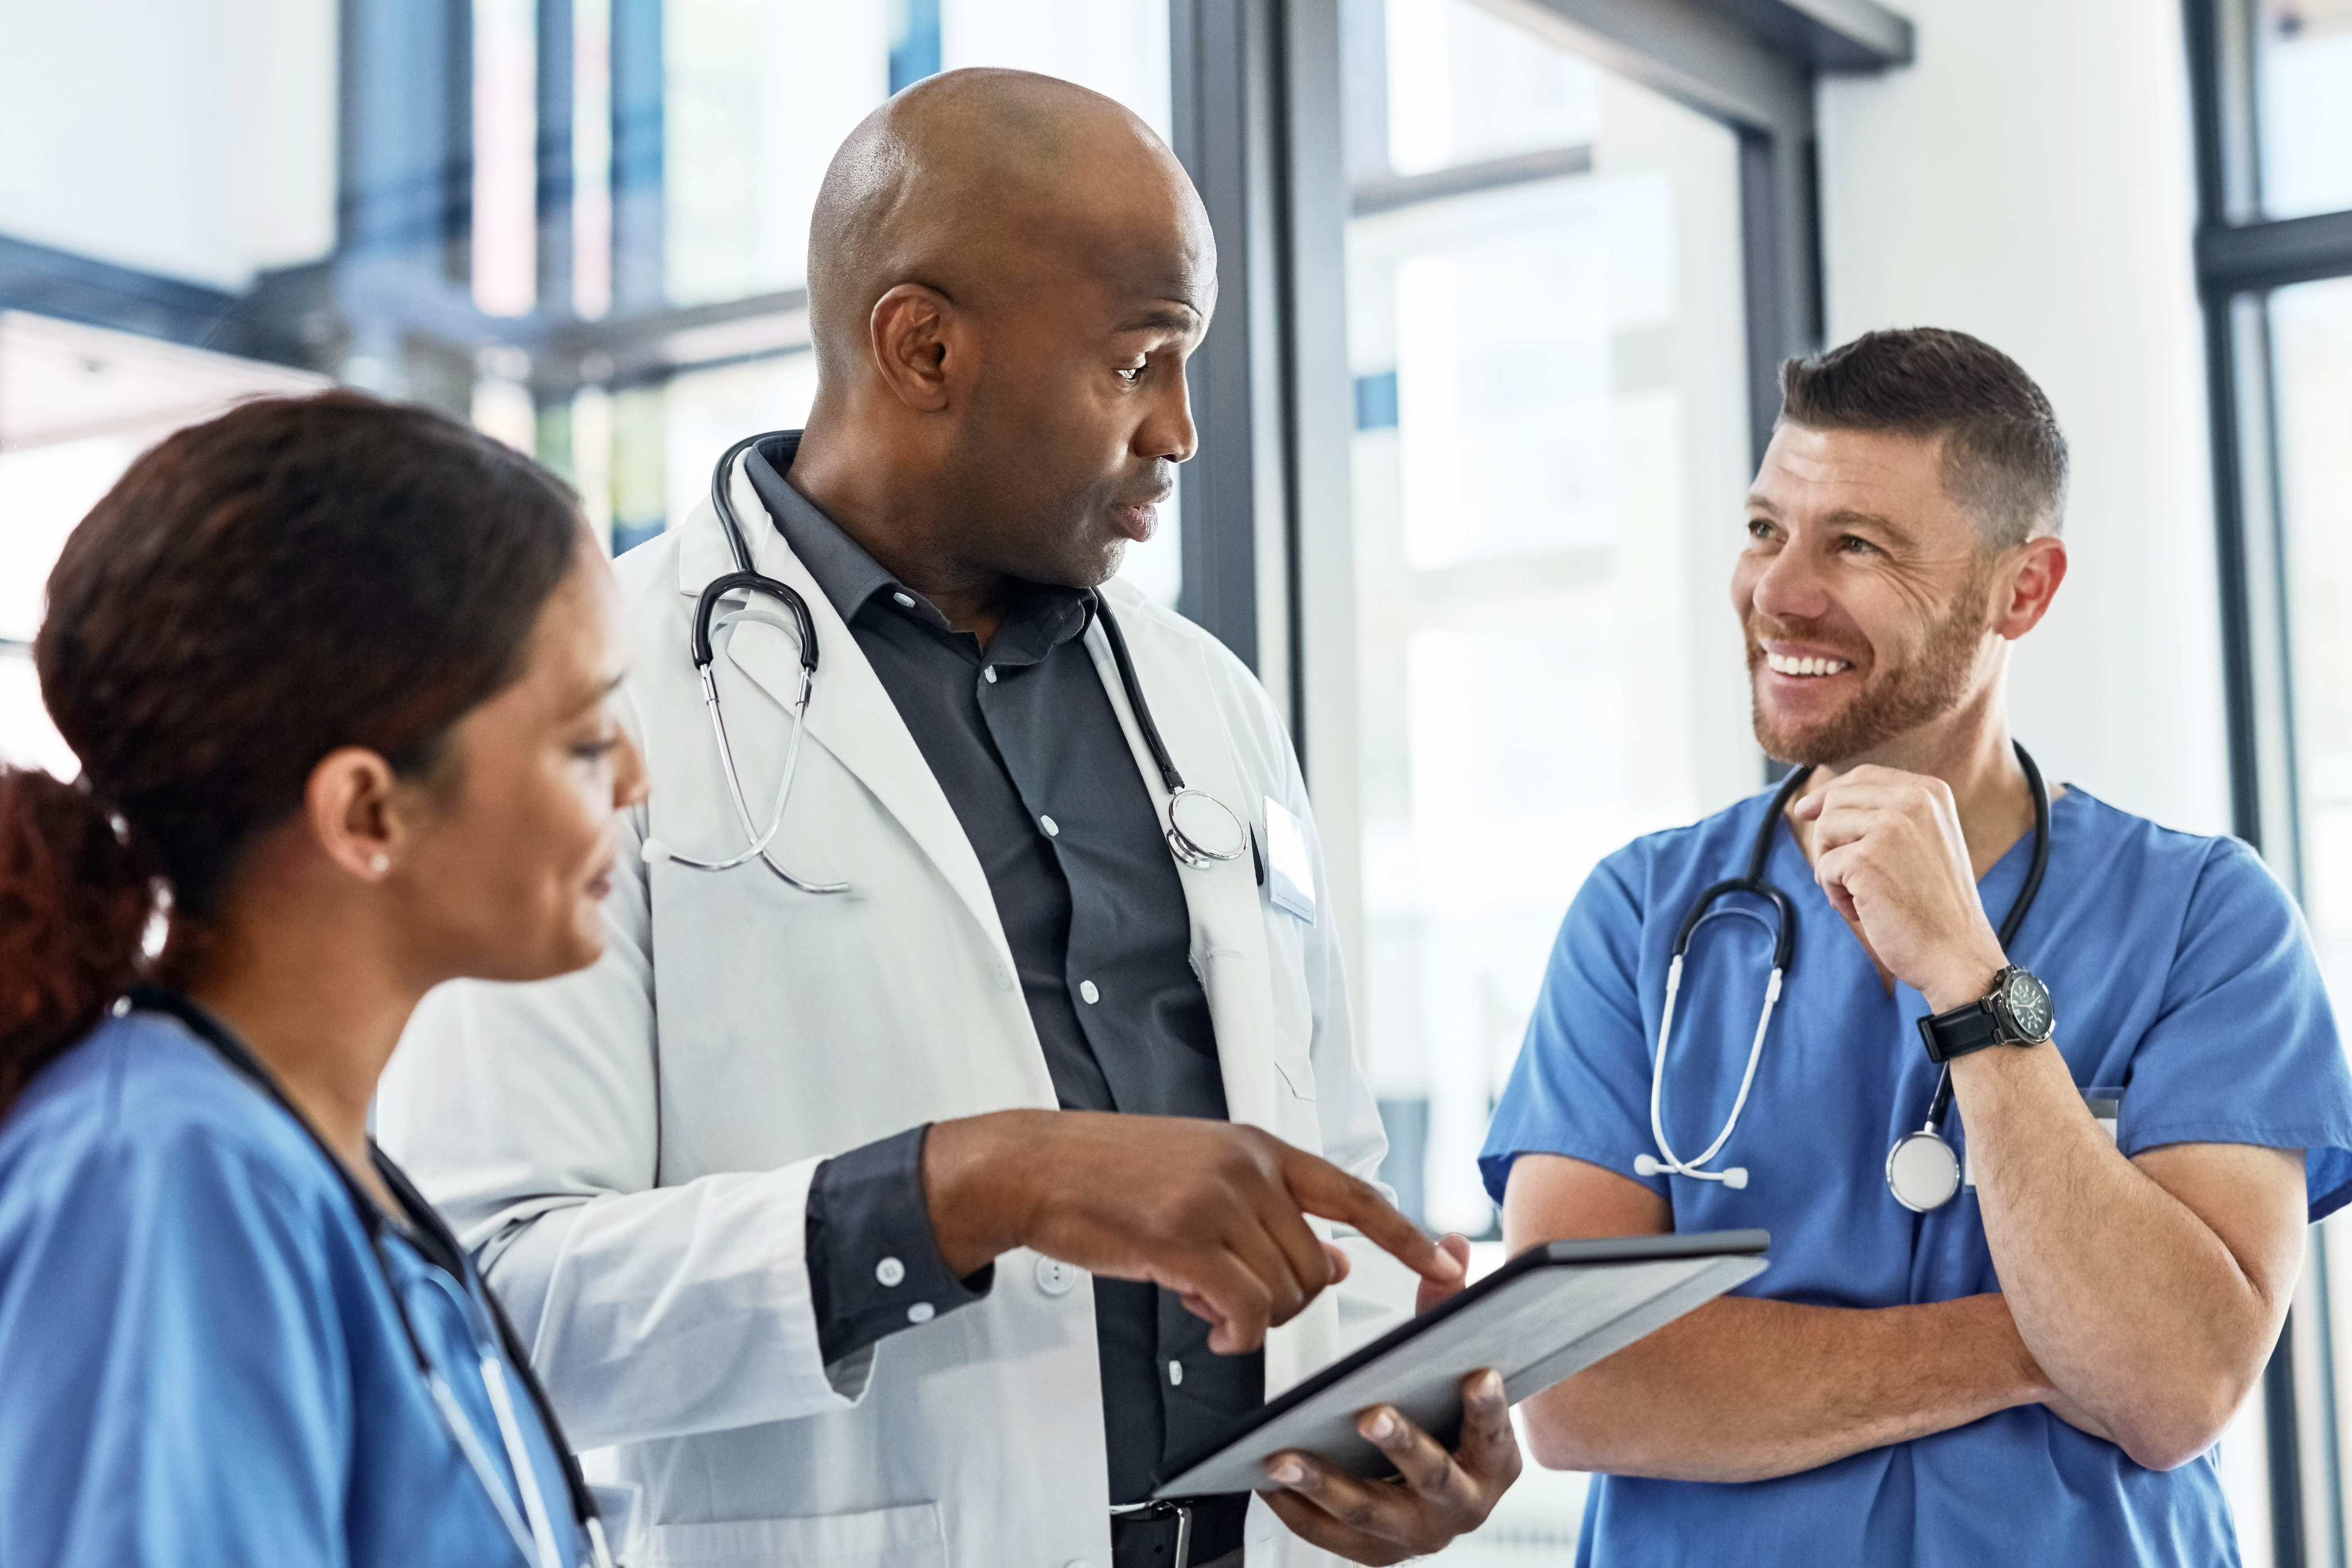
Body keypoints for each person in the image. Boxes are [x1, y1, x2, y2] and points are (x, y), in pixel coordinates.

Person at [378, 68, 1518, 1568]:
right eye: (1139, 363)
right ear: (921, 347)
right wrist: (969, 1186)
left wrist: (1394, 1432)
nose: (1181, 430)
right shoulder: (582, 691)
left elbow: (1323, 1170)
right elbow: (488, 1296)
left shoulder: (1209, 703)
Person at [1481, 326, 2352, 1564]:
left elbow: (2169, 1391)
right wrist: (2038, 1343)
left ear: (2023, 590)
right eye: (1761, 528)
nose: (1777, 591)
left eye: (1854, 544)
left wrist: (1971, 981)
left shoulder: (2205, 919)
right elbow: (1573, 1388)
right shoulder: (1642, 916)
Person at [0, 394, 644, 1566]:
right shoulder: (163, 1172)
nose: (635, 783)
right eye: (587, 742)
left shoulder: (310, 1158)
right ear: (367, 810)